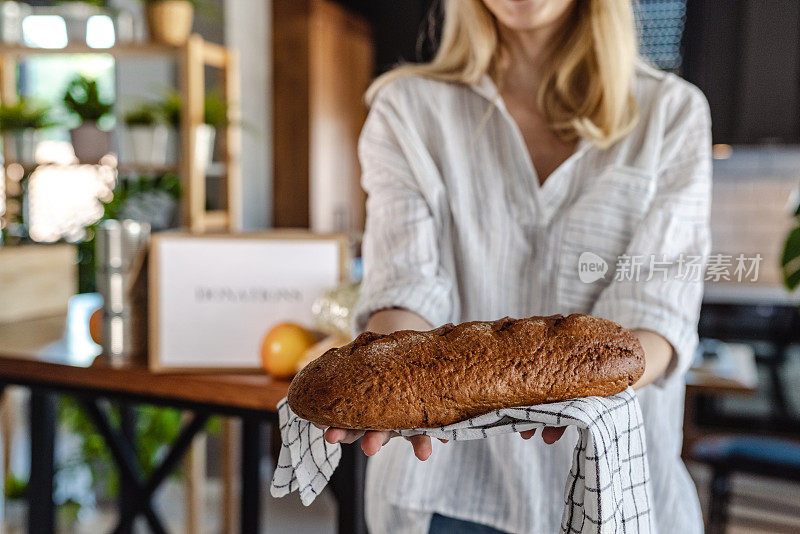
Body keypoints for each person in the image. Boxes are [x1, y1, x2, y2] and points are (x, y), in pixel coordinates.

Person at [325, 0, 711, 532]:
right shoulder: (408, 108)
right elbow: (405, 290)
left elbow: (657, 319)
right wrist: (398, 388)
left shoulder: (671, 114)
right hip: (446, 491)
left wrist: (558, 393)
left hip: (614, 493)